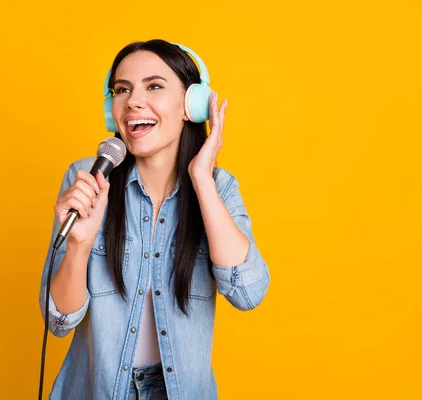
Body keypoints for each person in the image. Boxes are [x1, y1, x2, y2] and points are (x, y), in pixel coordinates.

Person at [39, 39, 270, 400]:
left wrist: (202, 181)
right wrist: (79, 246)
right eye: (122, 89)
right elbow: (58, 321)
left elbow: (248, 292)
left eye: (154, 86)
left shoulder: (218, 189)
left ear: (190, 105)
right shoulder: (86, 179)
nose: (133, 101)